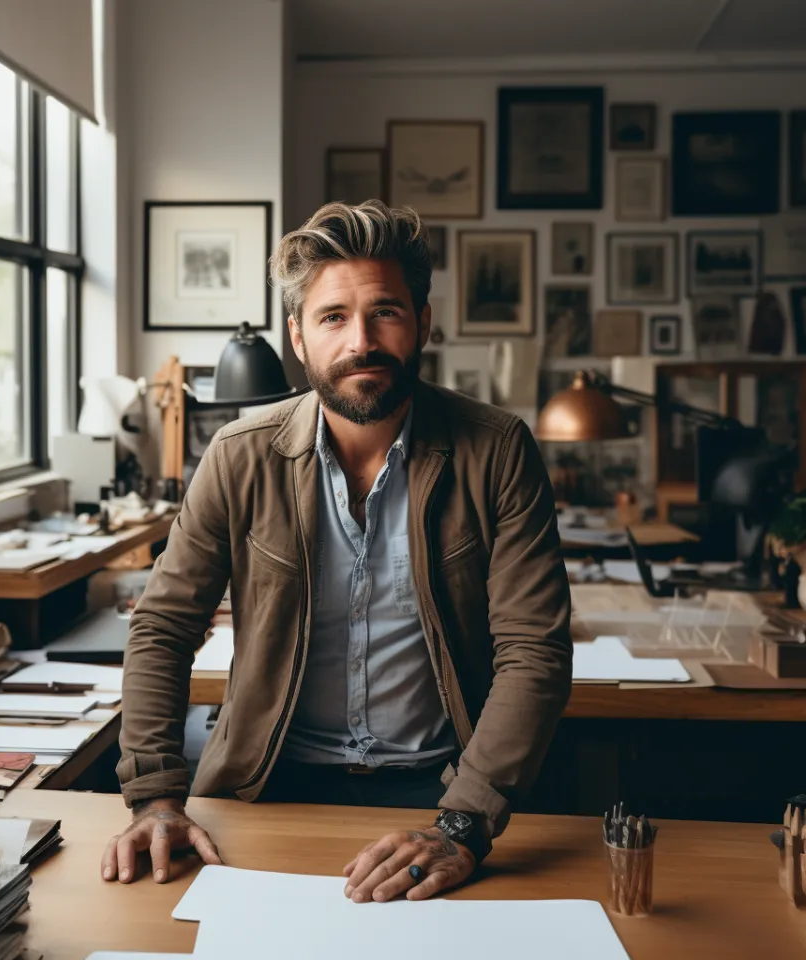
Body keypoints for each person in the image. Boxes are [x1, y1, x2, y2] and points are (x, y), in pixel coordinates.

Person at [101, 200, 572, 903]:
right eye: (333, 318)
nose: (361, 341)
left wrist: (463, 823)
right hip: (266, 784)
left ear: (423, 324)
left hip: (442, 786)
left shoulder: (496, 449)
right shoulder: (238, 457)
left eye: (385, 312)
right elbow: (164, 626)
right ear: (298, 338)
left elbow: (534, 650)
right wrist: (155, 796)